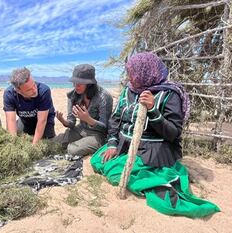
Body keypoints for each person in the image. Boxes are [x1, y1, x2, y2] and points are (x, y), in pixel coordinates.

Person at [90, 52, 220, 218]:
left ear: (146, 72)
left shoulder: (169, 94)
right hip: (125, 145)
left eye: (133, 73)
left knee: (117, 173)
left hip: (153, 149)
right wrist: (113, 144)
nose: (130, 77)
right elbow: (115, 119)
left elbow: (173, 132)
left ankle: (156, 180)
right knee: (98, 160)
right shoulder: (128, 90)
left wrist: (153, 110)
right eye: (129, 72)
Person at [54, 64, 113, 156]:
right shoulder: (73, 95)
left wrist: (88, 119)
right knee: (56, 142)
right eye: (74, 83)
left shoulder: (104, 97)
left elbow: (105, 127)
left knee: (72, 149)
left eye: (79, 84)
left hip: (97, 135)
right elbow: (72, 123)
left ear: (89, 84)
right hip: (81, 129)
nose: (76, 86)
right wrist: (63, 121)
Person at [3, 67, 55, 144]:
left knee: (46, 144)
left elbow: (42, 121)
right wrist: (13, 145)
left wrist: (34, 146)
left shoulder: (44, 91)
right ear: (18, 91)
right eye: (29, 90)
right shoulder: (9, 94)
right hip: (25, 120)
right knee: (16, 140)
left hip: (45, 120)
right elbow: (11, 121)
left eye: (34, 85)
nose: (34, 90)